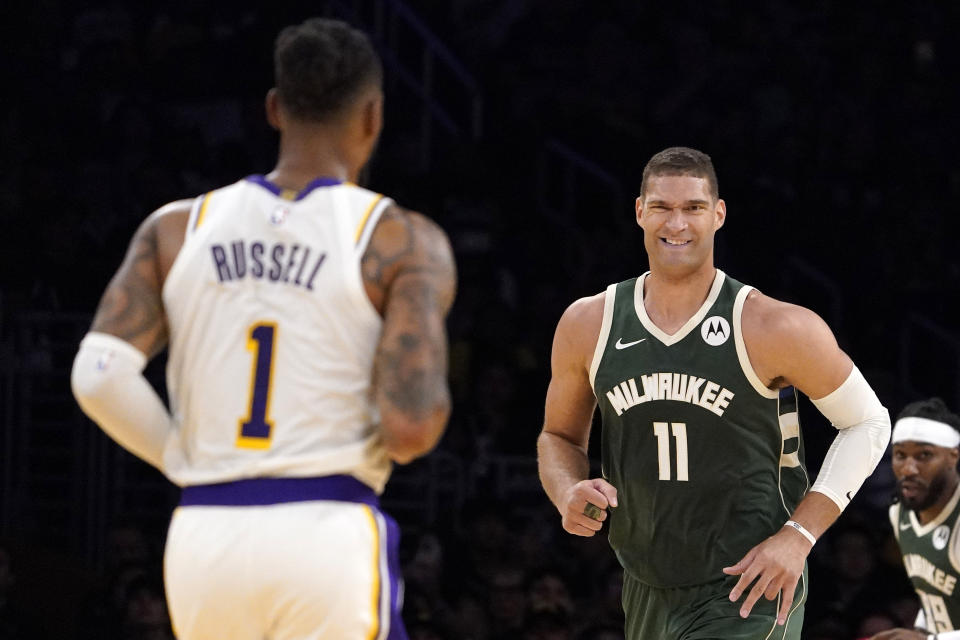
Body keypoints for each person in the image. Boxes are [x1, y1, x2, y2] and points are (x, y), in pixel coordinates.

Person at [71, 18, 456, 640]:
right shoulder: (400, 238)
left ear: (275, 108)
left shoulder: (176, 228)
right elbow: (410, 429)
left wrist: (181, 456)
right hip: (325, 528)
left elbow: (98, 376)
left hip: (204, 535)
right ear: (373, 116)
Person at [536, 147, 890, 639]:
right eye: (661, 207)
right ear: (639, 212)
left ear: (718, 215)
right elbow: (558, 436)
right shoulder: (588, 322)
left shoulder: (774, 326)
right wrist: (566, 491)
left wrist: (799, 536)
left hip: (750, 583)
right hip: (645, 583)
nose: (676, 223)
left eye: (693, 208)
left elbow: (868, 422)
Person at [870, 398, 960, 640]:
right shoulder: (901, 515)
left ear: (953, 456)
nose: (909, 468)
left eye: (924, 455)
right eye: (900, 455)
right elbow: (937, 595)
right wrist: (921, 629)